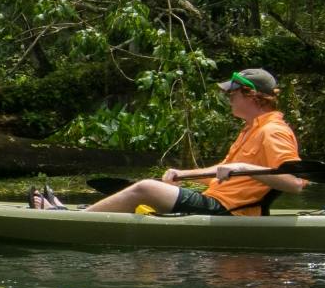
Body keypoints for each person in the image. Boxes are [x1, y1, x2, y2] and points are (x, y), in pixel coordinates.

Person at [36, 67, 305, 215]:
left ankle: (73, 219)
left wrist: (244, 168)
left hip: (229, 210)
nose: (229, 99)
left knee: (146, 188)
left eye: (232, 94)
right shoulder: (250, 129)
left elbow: (295, 183)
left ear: (252, 96)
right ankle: (80, 212)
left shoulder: (272, 131)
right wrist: (184, 174)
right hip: (216, 200)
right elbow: (224, 174)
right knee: (148, 192)